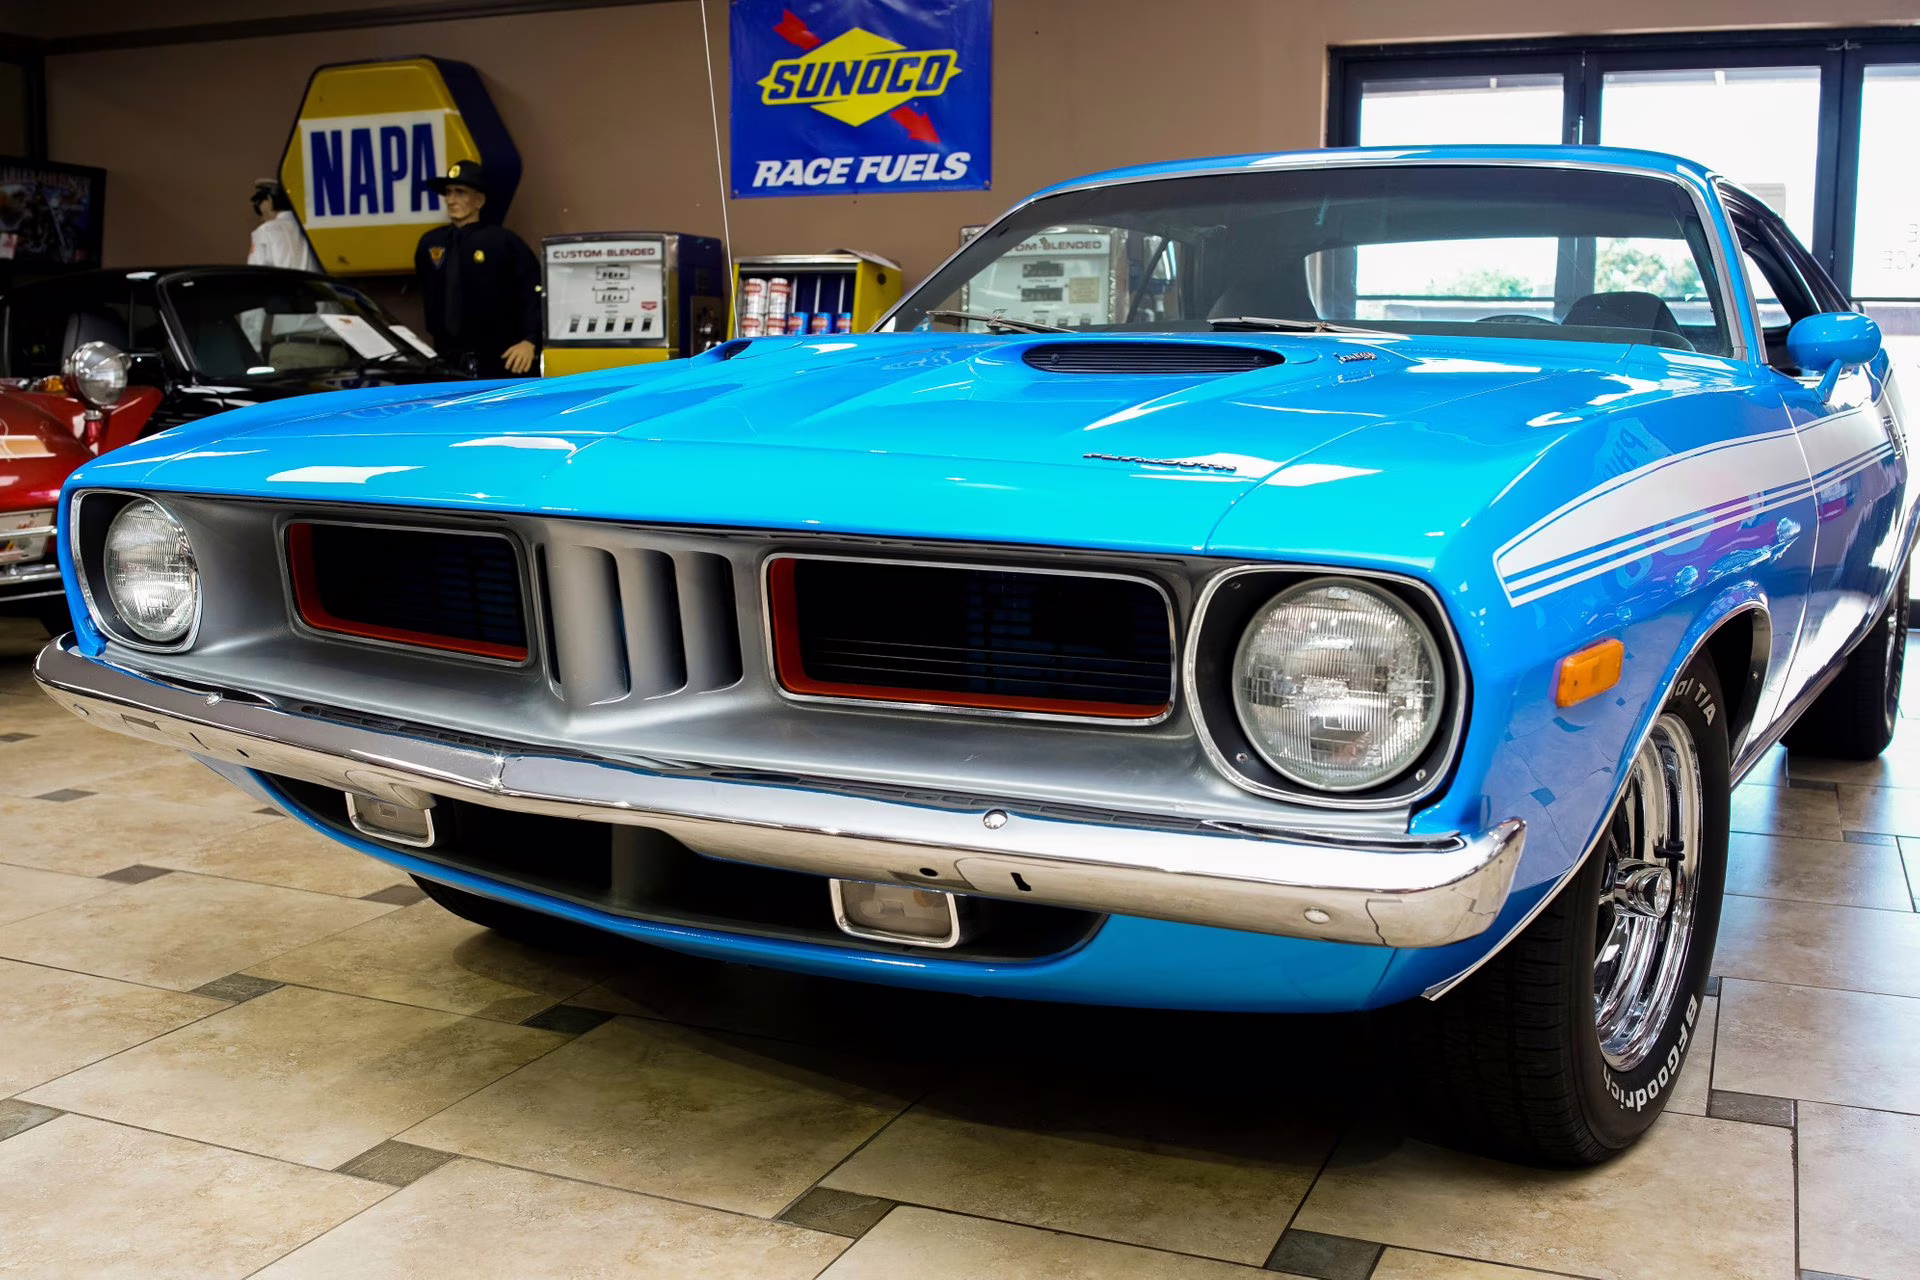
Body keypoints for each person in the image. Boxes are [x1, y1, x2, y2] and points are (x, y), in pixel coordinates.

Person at [414, 160, 540, 377]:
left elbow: (533, 292)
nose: (452, 200)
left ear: (479, 200)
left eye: (461, 192)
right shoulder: (432, 243)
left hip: (501, 359)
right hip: (448, 361)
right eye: (448, 193)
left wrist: (530, 341)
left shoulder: (502, 242)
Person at [246, 179, 320, 272]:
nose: (261, 219)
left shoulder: (265, 231)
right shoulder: (312, 231)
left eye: (258, 206)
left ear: (269, 200)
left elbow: (254, 274)